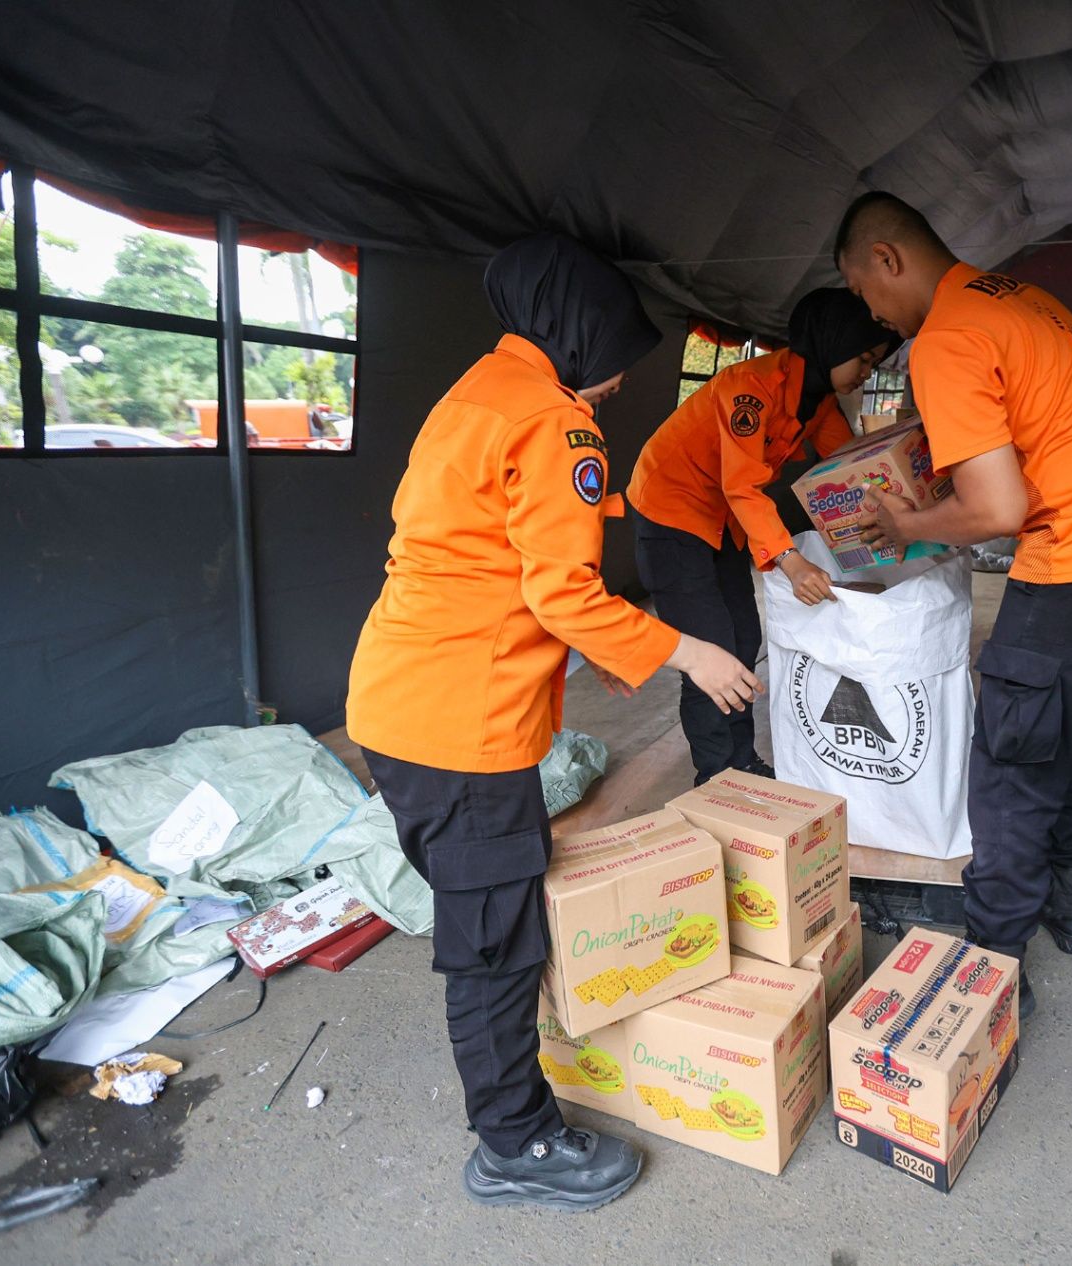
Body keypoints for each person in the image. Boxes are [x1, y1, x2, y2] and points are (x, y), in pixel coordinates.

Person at [345, 233, 762, 1211]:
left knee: (486, 913)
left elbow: (484, 559)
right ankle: (514, 1144)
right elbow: (564, 590)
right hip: (461, 722)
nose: (617, 383)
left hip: (396, 701)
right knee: (494, 940)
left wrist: (610, 652)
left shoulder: (473, 396)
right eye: (617, 355)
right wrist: (686, 652)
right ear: (579, 337)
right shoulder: (555, 422)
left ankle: (511, 1093)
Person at [836, 192, 1072, 1021]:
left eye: (862, 292)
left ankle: (993, 963)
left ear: (886, 260)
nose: (871, 314)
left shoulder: (949, 336)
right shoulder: (1012, 297)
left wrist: (906, 522)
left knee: (1013, 760)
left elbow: (995, 509)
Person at [627, 289, 899, 783]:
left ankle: (743, 759)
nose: (866, 372)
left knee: (743, 637)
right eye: (863, 358)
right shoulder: (751, 388)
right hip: (671, 511)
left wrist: (899, 503)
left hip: (725, 518)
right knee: (710, 647)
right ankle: (717, 776)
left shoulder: (815, 401)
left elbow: (851, 463)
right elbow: (742, 484)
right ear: (831, 342)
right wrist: (792, 561)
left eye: (874, 362)